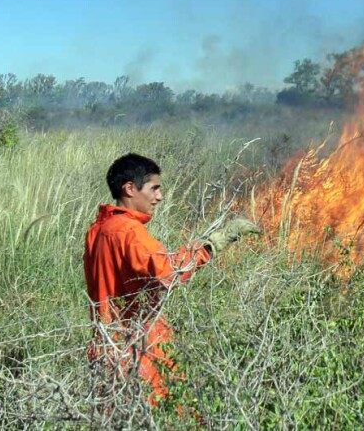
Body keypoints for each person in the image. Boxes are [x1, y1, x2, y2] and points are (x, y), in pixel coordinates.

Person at [83, 153, 258, 406]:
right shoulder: (128, 231)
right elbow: (169, 271)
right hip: (139, 349)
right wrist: (212, 245)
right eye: (154, 188)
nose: (159, 196)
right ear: (130, 189)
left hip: (107, 347)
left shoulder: (99, 229)